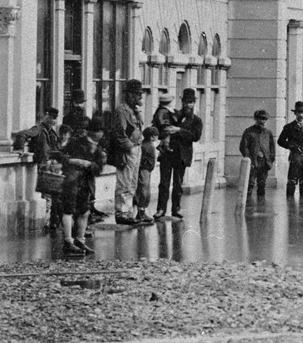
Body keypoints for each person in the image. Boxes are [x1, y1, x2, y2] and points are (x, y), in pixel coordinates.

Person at [58, 117, 108, 257]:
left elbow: (98, 170)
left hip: (86, 183)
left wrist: (89, 165)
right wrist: (75, 161)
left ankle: (79, 240)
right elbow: (61, 155)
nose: (101, 134)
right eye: (99, 131)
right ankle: (68, 242)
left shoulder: (99, 149)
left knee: (84, 211)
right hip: (72, 180)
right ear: (92, 132)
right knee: (68, 210)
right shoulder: (76, 142)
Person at [154, 88, 202, 220]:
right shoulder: (173, 114)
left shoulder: (196, 120)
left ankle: (176, 208)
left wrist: (179, 130)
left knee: (178, 183)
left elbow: (195, 136)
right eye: (186, 102)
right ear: (182, 101)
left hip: (182, 155)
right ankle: (160, 209)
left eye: (191, 102)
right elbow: (162, 127)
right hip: (168, 153)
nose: (188, 105)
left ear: (194, 103)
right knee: (164, 183)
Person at [104, 79, 146, 227]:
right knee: (125, 182)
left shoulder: (134, 110)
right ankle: (121, 212)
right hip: (128, 150)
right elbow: (119, 133)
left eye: (139, 94)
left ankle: (128, 212)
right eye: (136, 94)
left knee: (132, 182)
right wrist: (129, 146)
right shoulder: (122, 111)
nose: (139, 97)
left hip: (136, 147)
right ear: (128, 94)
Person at [240, 110, 276, 198]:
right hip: (253, 162)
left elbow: (272, 148)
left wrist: (270, 161)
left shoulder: (268, 133)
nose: (263, 121)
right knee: (250, 183)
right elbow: (243, 147)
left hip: (264, 163)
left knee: (262, 184)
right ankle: (248, 207)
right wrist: (249, 160)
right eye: (260, 119)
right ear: (256, 119)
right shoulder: (249, 131)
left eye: (264, 119)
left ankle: (261, 208)